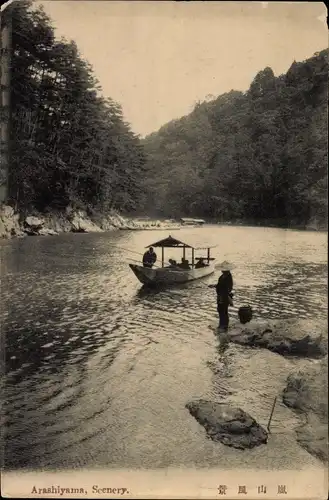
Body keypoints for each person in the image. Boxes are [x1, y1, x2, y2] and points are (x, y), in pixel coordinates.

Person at [209, 261, 234, 331]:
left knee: (224, 310)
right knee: (220, 310)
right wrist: (214, 285)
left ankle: (225, 325)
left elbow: (228, 288)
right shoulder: (222, 277)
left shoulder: (229, 277)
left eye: (223, 269)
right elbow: (219, 285)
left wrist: (224, 295)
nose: (222, 271)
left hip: (225, 296)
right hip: (220, 296)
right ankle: (221, 324)